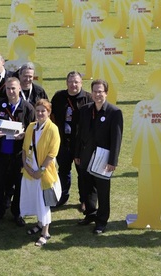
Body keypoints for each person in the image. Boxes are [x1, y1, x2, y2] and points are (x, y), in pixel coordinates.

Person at [74, 79, 123, 235]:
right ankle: (90, 214)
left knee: (102, 190)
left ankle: (101, 221)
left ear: (106, 93)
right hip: (86, 156)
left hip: (103, 158)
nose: (97, 94)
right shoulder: (85, 110)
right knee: (87, 188)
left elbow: (117, 139)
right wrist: (77, 154)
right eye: (94, 91)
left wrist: (112, 161)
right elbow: (78, 134)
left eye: (100, 91)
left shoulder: (114, 112)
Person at [0, 77, 35, 226]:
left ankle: (17, 212)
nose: (11, 91)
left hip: (18, 154)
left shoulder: (28, 108)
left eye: (13, 88)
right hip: (0, 153)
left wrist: (24, 136)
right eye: (8, 88)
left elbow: (34, 131)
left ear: (20, 88)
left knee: (19, 184)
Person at [20, 99, 60, 246]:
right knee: (34, 199)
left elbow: (52, 153)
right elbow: (25, 149)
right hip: (30, 171)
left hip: (44, 173)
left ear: (48, 112)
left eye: (43, 111)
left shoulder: (53, 129)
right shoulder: (31, 127)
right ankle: (38, 223)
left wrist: (40, 171)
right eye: (38, 111)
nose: (40, 113)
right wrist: (26, 166)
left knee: (44, 203)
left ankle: (45, 232)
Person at [50, 71, 92, 208]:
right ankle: (63, 196)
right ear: (66, 83)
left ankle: (84, 200)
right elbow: (52, 117)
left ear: (81, 83)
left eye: (76, 82)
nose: (73, 85)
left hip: (81, 144)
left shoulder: (88, 98)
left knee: (83, 172)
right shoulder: (58, 97)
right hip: (63, 141)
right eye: (70, 82)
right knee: (63, 170)